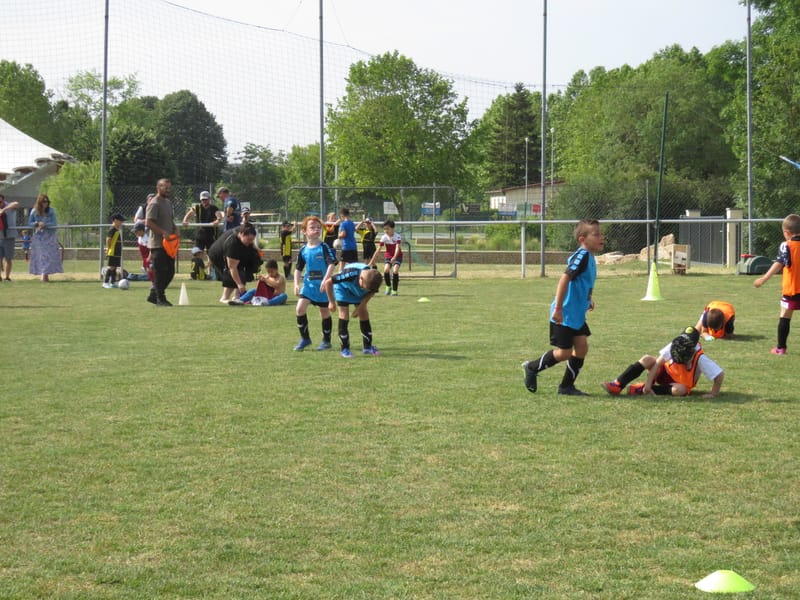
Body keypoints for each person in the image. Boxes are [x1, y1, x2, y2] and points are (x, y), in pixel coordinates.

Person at [522, 219, 605, 396]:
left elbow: (584, 281)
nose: (601, 237)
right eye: (596, 234)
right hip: (565, 313)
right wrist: (558, 308)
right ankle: (532, 367)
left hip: (576, 314)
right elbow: (565, 279)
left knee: (582, 347)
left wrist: (588, 299)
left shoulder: (590, 257)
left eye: (601, 233)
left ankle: (566, 387)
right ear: (583, 239)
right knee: (565, 352)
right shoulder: (581, 255)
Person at [601, 326, 725, 399]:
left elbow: (719, 375)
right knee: (647, 358)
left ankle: (639, 389)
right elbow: (658, 362)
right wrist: (648, 385)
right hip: (665, 373)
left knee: (680, 390)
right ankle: (617, 385)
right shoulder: (676, 344)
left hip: (679, 384)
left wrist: (713, 393)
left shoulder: (700, 357)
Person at [754, 213, 800, 354]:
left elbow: (779, 264)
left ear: (787, 233)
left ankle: (781, 348)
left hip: (791, 289)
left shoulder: (786, 246)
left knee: (785, 316)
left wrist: (763, 278)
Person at [293, 215, 337, 351]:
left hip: (323, 287)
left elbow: (332, 264)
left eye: (318, 228)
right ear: (304, 231)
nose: (316, 230)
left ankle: (326, 341)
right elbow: (298, 268)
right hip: (308, 286)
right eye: (312, 227)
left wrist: (326, 279)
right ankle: (305, 339)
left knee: (324, 312)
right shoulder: (303, 250)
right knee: (299, 309)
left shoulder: (324, 247)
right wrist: (296, 284)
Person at [324, 262, 384, 358]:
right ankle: (345, 349)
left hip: (357, 291)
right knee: (344, 315)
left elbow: (371, 292)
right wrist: (331, 302)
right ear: (361, 279)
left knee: (364, 314)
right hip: (343, 289)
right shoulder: (350, 274)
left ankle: (367, 347)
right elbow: (328, 282)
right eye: (366, 288)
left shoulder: (373, 278)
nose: (368, 290)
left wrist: (360, 308)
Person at [207, 223, 263, 303]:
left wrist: (256, 249)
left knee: (242, 267)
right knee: (233, 272)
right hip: (217, 256)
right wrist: (239, 284)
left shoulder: (244, 231)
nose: (250, 242)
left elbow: (249, 243)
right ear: (242, 234)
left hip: (230, 253)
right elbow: (232, 267)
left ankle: (237, 296)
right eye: (249, 239)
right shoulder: (232, 244)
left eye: (252, 240)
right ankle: (224, 297)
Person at [145, 178, 178, 306]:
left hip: (168, 244)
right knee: (160, 272)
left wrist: (176, 228)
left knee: (170, 272)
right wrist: (163, 232)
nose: (168, 189)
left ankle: (154, 294)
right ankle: (160, 298)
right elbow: (149, 222)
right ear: (158, 188)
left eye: (169, 187)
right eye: (165, 187)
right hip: (158, 244)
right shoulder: (154, 203)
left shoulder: (168, 203)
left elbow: (170, 220)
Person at [28, 194, 63, 282]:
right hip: (39, 237)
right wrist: (37, 223)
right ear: (39, 202)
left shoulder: (51, 211)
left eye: (47, 201)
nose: (46, 203)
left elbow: (54, 223)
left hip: (49, 236)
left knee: (49, 256)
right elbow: (29, 223)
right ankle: (43, 275)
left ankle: (45, 274)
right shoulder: (34, 211)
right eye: (44, 201)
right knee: (41, 256)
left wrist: (45, 224)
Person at [369, 219, 403, 296]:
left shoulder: (397, 236)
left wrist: (394, 257)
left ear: (392, 228)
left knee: (395, 270)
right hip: (388, 255)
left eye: (387, 229)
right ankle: (388, 286)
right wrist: (371, 261)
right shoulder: (384, 237)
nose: (385, 231)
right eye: (384, 229)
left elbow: (398, 248)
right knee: (386, 269)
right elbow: (378, 250)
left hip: (397, 256)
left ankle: (395, 290)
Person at [182, 190, 222, 255]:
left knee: (212, 254)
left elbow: (219, 216)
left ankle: (211, 265)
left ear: (209, 199)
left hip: (211, 235)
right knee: (197, 253)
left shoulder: (214, 208)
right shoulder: (197, 207)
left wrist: (217, 221)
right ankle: (198, 264)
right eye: (202, 199)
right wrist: (185, 220)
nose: (204, 201)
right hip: (200, 235)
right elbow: (189, 213)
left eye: (206, 199)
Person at [0, 194, 20, 281]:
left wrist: (4, 210)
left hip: (9, 237)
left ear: (3, 201)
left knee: (8, 258)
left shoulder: (10, 207)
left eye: (0, 201)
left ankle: (7, 277)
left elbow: (16, 203)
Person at [103, 214, 125, 288]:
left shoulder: (117, 230)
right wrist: (108, 249)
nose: (121, 223)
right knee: (111, 267)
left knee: (115, 267)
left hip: (117, 252)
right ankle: (105, 282)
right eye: (120, 221)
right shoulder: (112, 229)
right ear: (115, 220)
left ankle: (113, 282)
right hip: (112, 251)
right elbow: (108, 239)